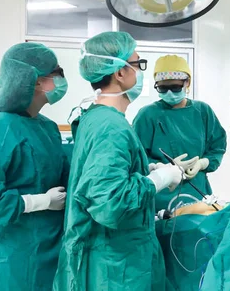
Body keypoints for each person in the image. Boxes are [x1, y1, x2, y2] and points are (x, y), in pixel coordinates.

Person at [53, 32, 182, 291]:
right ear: (121, 73)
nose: (140, 72)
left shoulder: (94, 117)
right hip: (115, 266)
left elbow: (102, 176)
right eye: (138, 64)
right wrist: (160, 179)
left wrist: (145, 170)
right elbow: (109, 201)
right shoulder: (111, 126)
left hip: (108, 257)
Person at [0, 43, 69, 291]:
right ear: (38, 81)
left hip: (52, 248)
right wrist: (41, 201)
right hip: (12, 255)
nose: (62, 81)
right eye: (57, 73)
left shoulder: (48, 128)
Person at [133, 55, 227, 211]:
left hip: (197, 191)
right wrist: (161, 167)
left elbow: (217, 147)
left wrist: (202, 163)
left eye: (175, 87)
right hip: (161, 194)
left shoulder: (202, 111)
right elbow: (136, 157)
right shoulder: (148, 115)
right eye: (163, 88)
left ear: (187, 82)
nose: (169, 92)